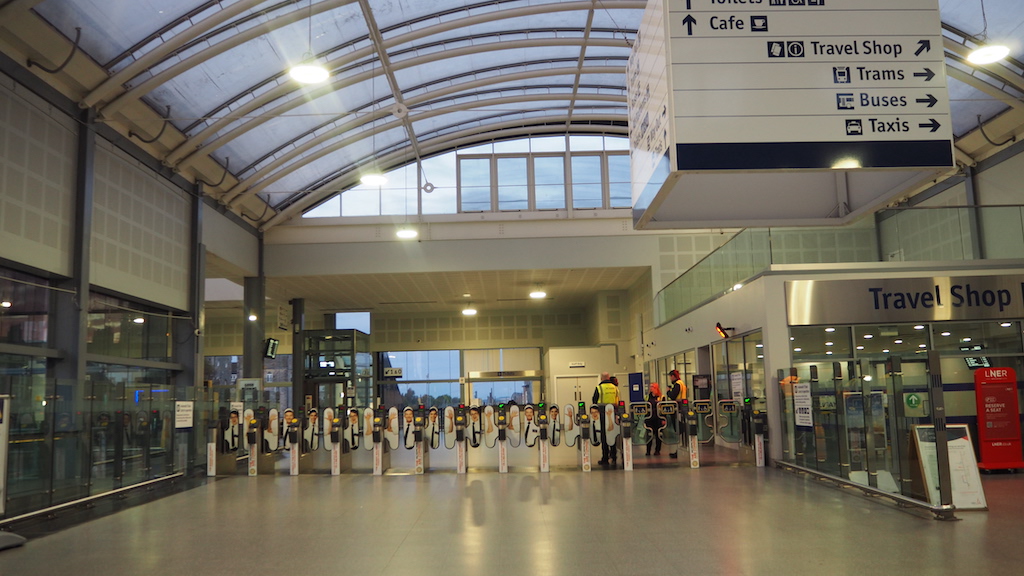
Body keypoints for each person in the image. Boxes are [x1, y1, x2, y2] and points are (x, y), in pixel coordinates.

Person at [593, 372, 620, 466]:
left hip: (602, 414)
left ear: (601, 378)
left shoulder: (599, 388)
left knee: (604, 436)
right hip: (613, 414)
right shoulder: (615, 388)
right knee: (612, 434)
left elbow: (594, 401)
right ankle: (614, 455)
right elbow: (618, 401)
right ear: (608, 378)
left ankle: (605, 458)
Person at [666, 370, 686, 459]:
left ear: (673, 376)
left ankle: (679, 449)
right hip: (682, 407)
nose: (670, 378)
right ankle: (679, 449)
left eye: (670, 376)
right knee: (681, 428)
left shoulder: (677, 384)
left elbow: (673, 395)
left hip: (678, 407)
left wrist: (668, 391)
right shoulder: (682, 383)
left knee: (678, 428)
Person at [646, 383, 663, 456]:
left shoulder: (661, 397)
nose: (651, 388)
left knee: (658, 435)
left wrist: (663, 418)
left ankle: (657, 450)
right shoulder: (647, 397)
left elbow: (663, 408)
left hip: (658, 418)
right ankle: (648, 451)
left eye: (652, 386)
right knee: (649, 435)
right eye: (650, 386)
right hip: (649, 418)